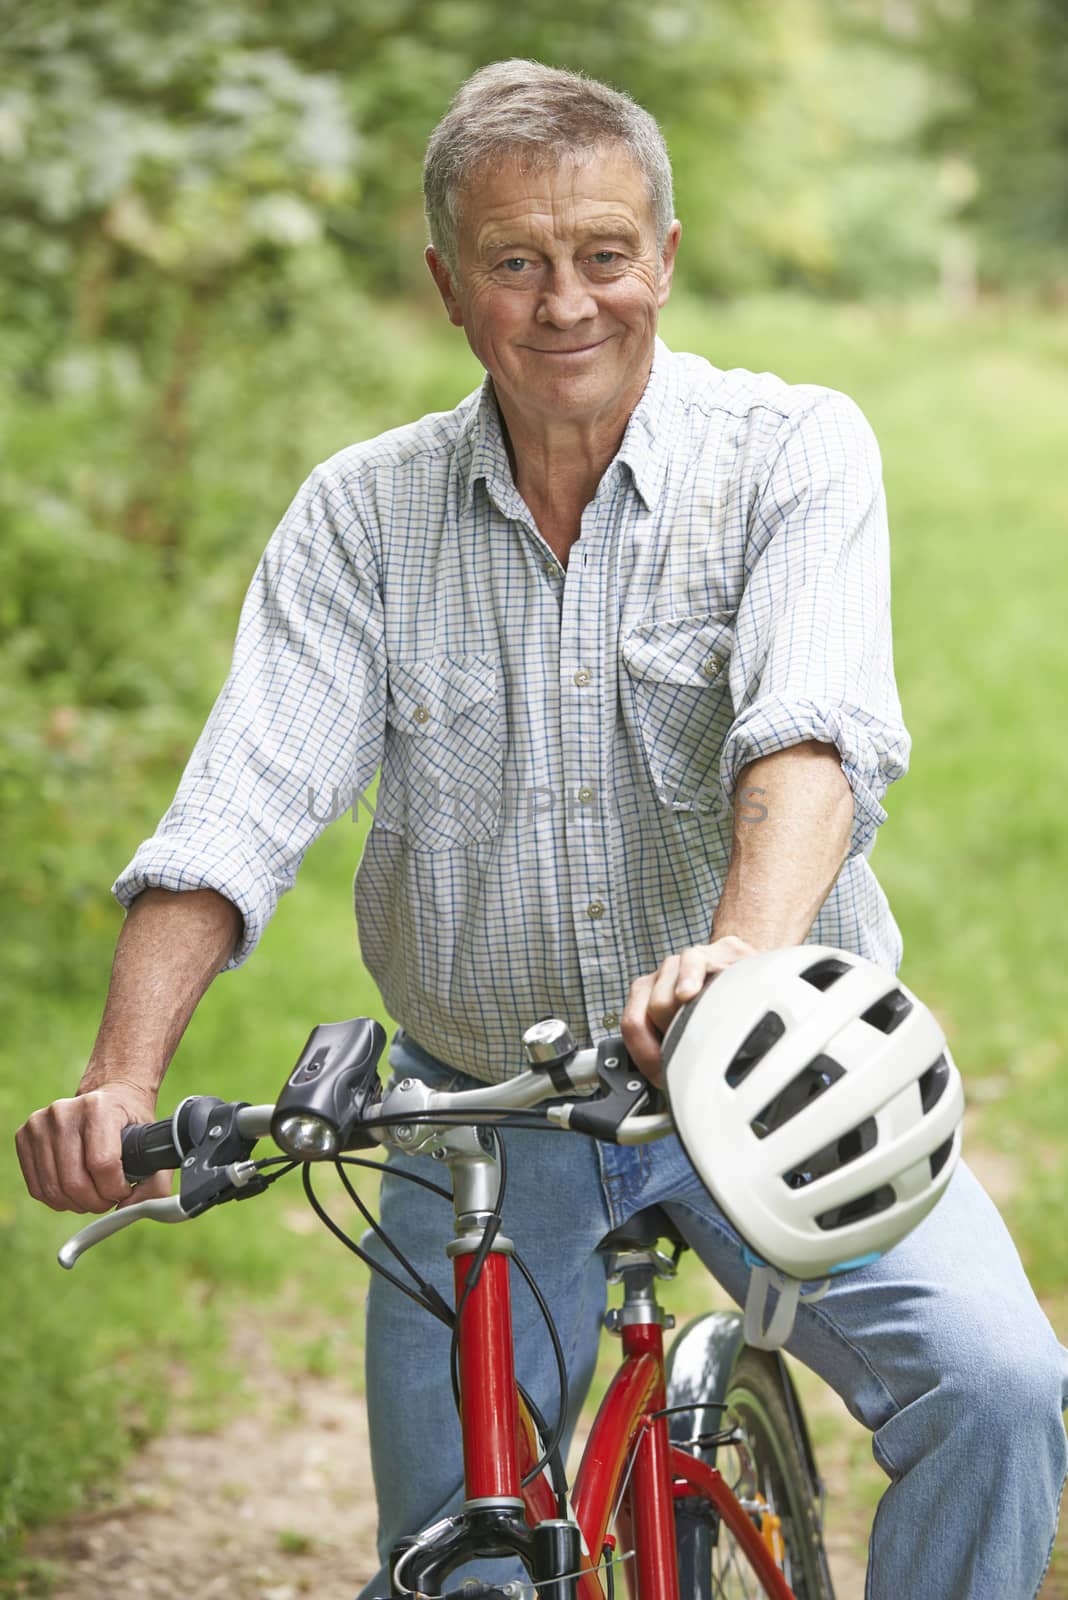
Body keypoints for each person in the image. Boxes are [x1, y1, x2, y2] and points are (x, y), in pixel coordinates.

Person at [15, 59, 1067, 1599]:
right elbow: (241, 803)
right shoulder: (360, 517)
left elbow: (814, 734)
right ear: (450, 286)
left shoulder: (790, 453)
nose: (567, 302)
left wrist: (735, 966)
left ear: (667, 257)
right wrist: (123, 1078)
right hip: (481, 1097)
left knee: (1001, 1391)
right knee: (461, 1560)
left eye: (603, 255)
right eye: (516, 263)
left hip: (783, 1064)